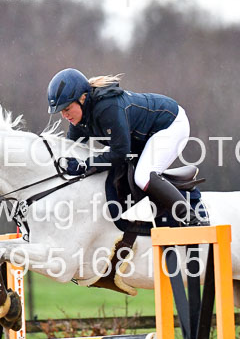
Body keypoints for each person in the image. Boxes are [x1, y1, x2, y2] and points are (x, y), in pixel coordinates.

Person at [46, 68, 193, 224]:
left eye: (67, 109)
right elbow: (70, 150)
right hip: (145, 135)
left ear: (82, 98)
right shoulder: (79, 119)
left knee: (143, 177)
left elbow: (119, 153)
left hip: (170, 124)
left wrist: (85, 164)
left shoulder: (107, 108)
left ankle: (191, 217)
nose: (64, 115)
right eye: (61, 111)